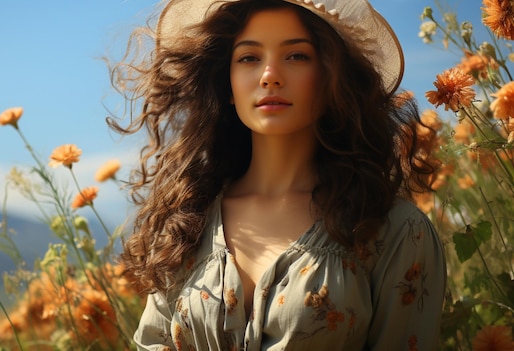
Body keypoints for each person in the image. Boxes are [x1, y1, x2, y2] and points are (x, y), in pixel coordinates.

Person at [108, 0, 447, 349]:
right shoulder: (186, 221)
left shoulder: (394, 230)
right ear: (227, 84)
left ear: (332, 77)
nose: (270, 74)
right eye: (249, 58)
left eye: (297, 56)